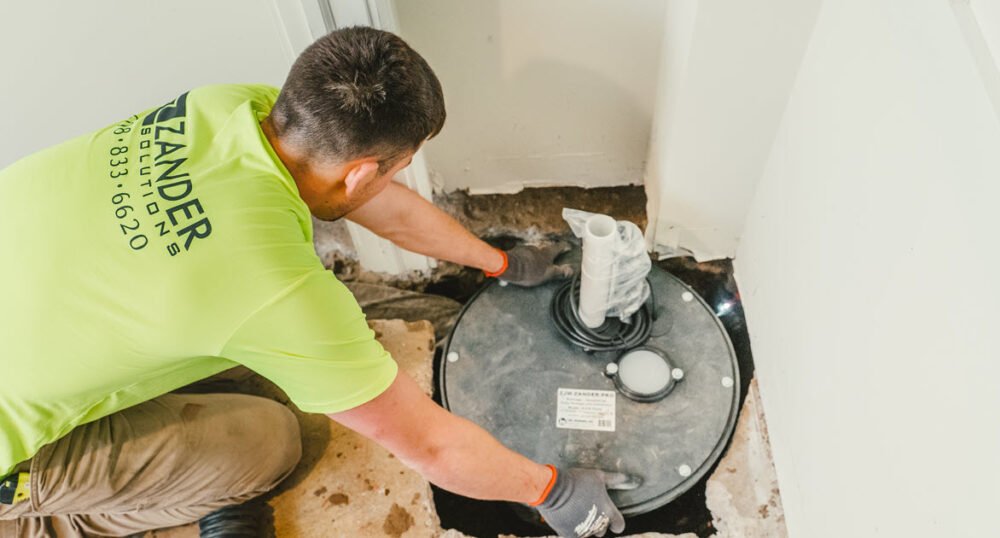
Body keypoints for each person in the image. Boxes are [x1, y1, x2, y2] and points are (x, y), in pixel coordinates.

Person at [0, 27, 631, 538]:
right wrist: (551, 491)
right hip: (11, 449)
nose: (390, 186)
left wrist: (496, 262)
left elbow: (379, 207)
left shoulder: (232, 109)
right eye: (396, 170)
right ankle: (56, 517)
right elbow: (431, 448)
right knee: (274, 442)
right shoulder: (273, 289)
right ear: (361, 171)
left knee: (246, 364)